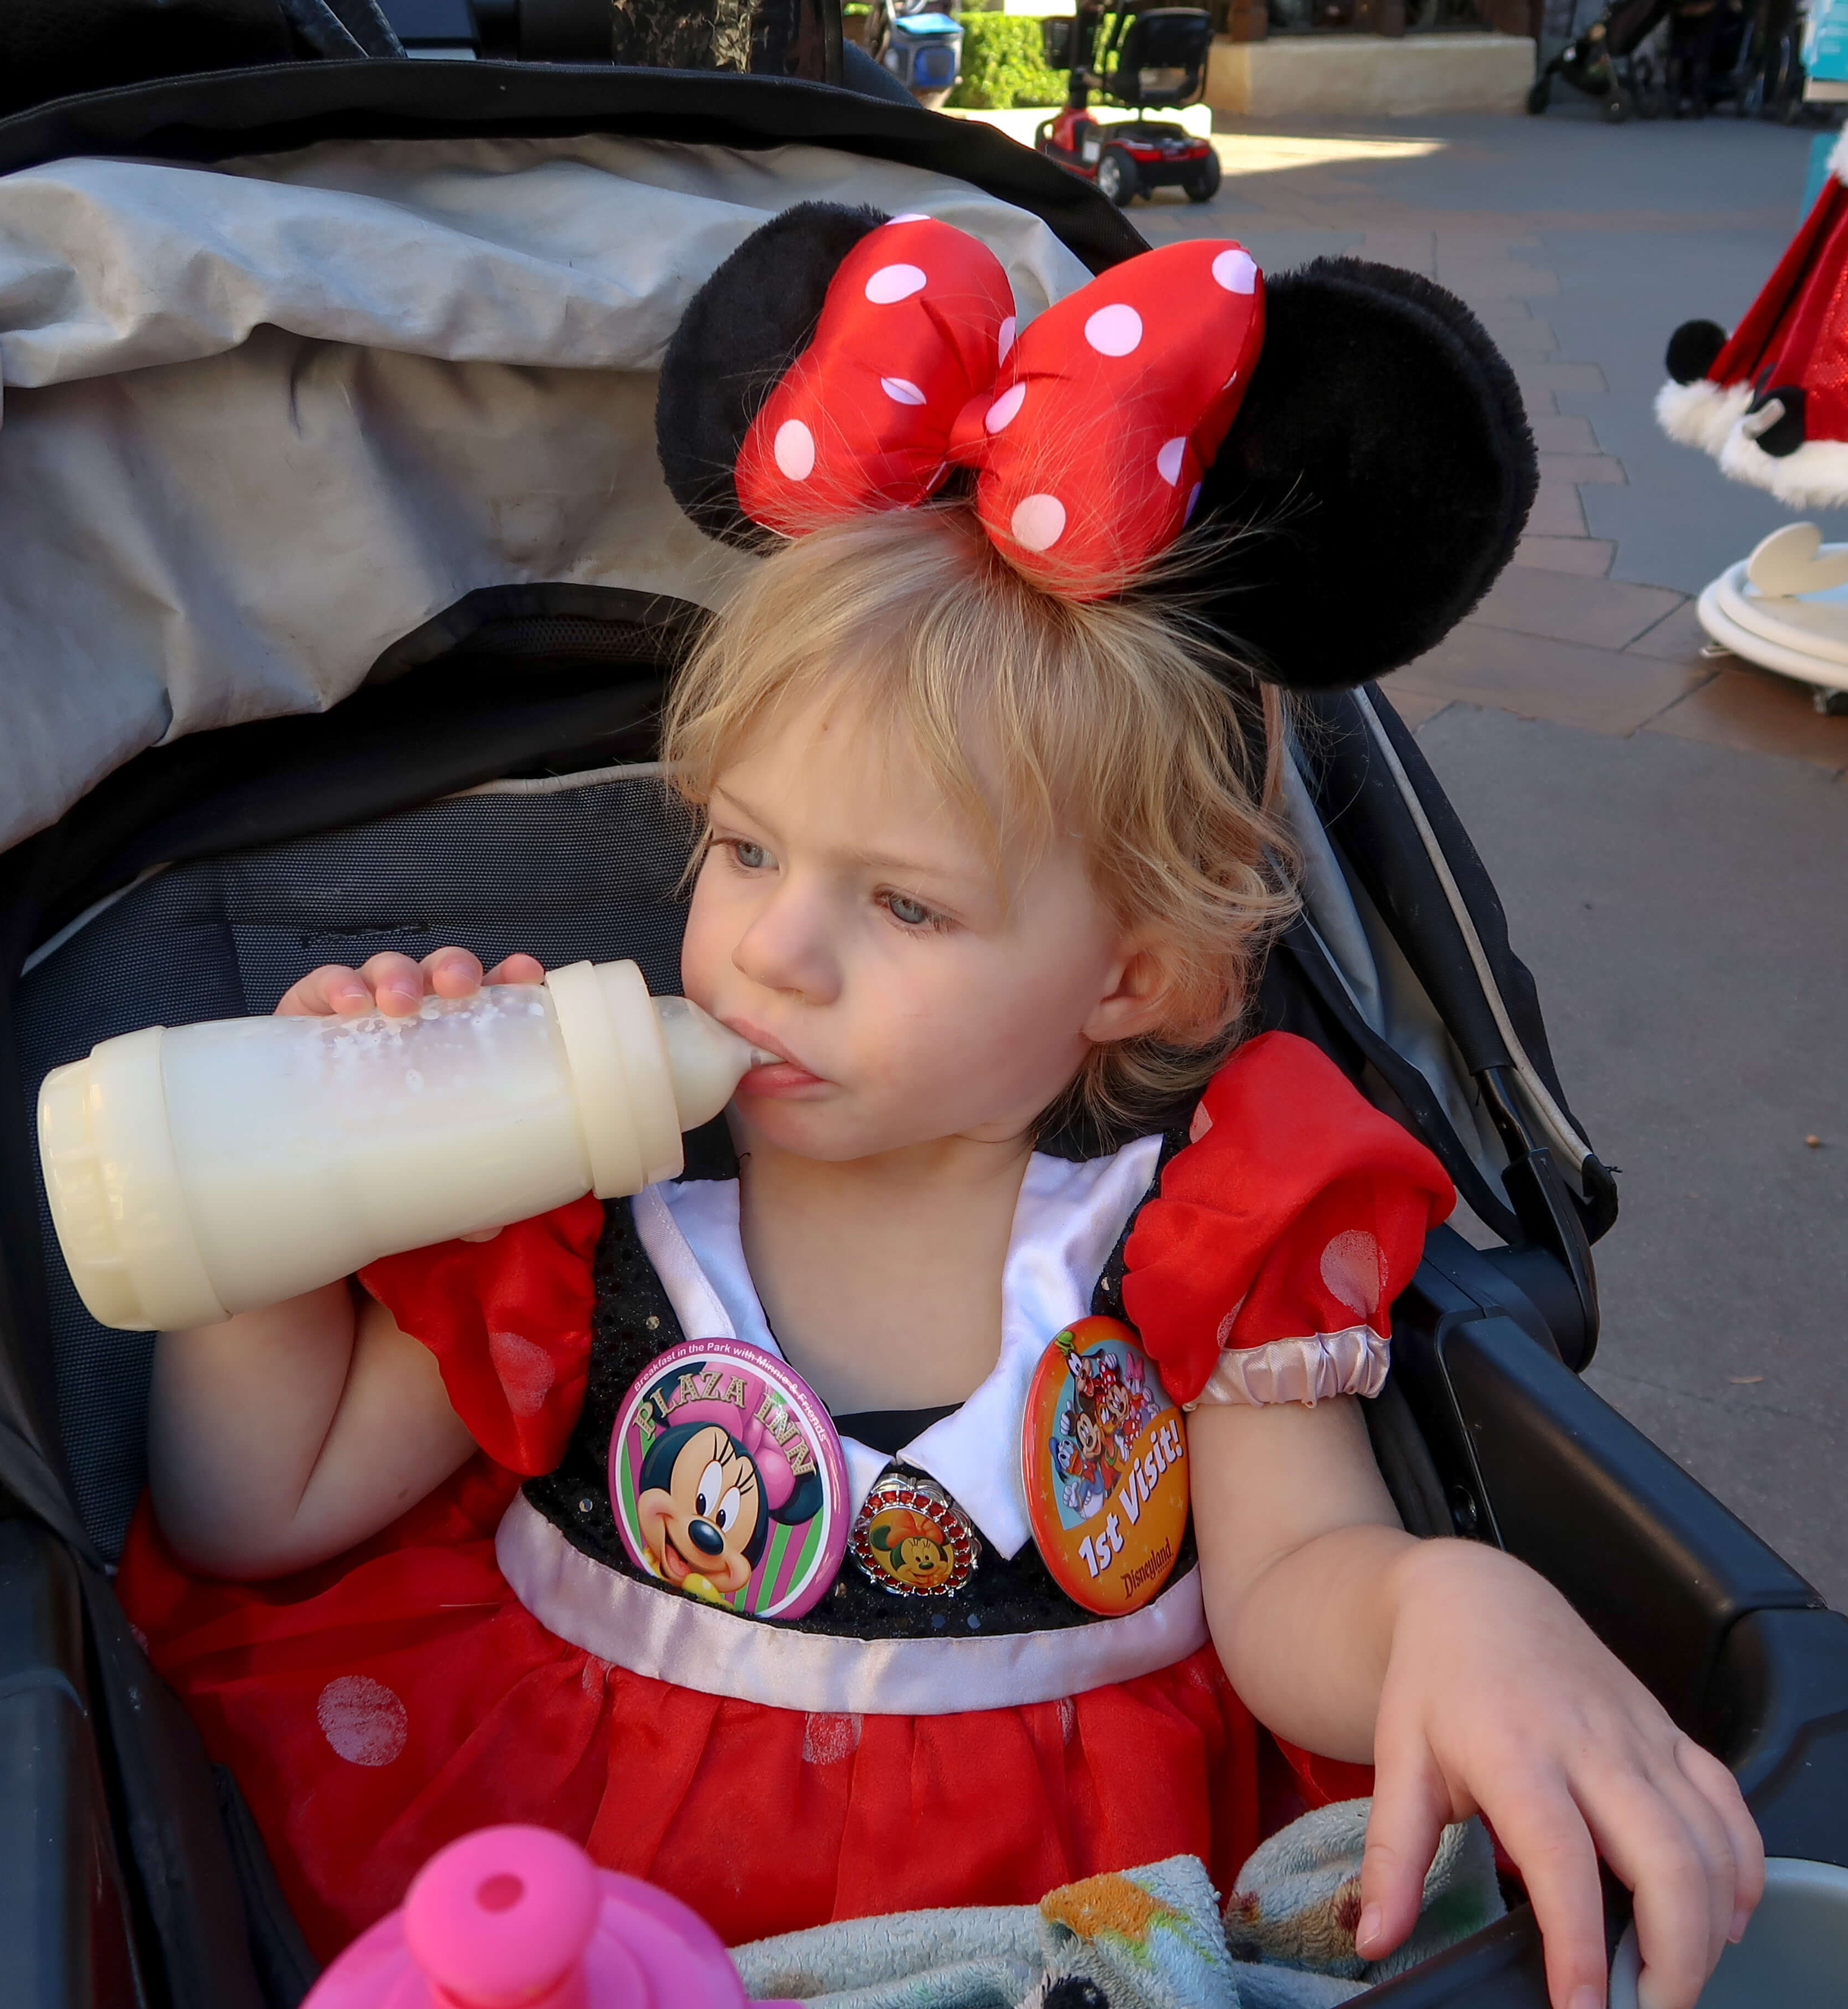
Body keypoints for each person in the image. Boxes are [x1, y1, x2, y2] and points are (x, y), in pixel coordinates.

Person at [118, 222, 1763, 2009]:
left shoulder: (1200, 1224)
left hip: (1050, 1920)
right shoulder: (577, 1200)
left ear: (1131, 974)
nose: (775, 949)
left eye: (901, 903)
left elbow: (1295, 1582)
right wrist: (288, 1195)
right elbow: (255, 1511)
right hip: (605, 1916)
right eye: (744, 847)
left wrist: (1448, 1601)